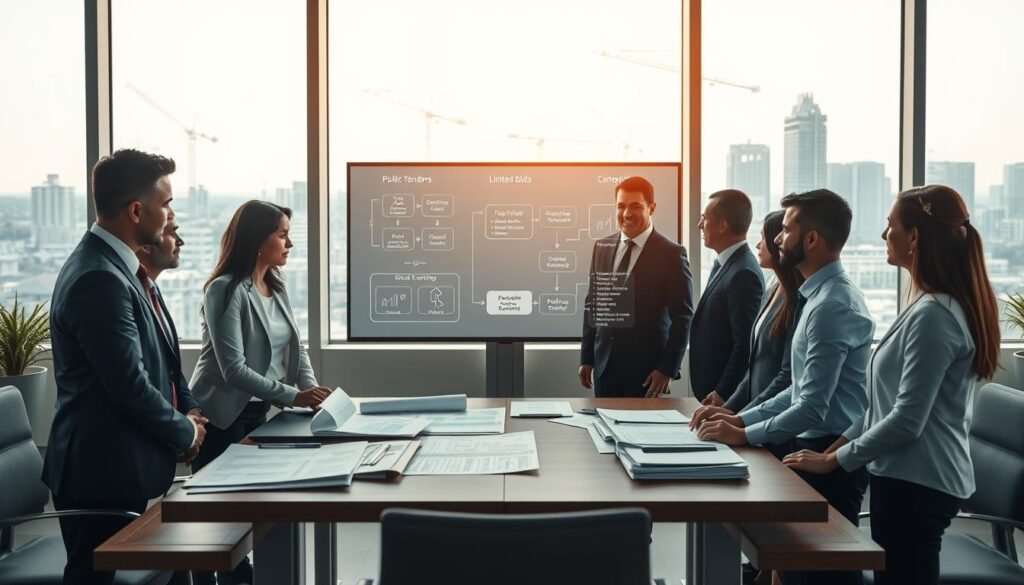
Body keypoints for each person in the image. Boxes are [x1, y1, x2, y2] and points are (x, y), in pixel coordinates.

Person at [784, 185, 1000, 585]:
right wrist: (840, 442)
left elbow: (906, 419)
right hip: (905, 479)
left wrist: (835, 460)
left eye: (890, 225)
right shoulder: (925, 305)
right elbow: (880, 401)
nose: (885, 235)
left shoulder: (934, 316)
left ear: (914, 237)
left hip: (918, 484)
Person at [44, 149, 207, 585]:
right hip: (100, 477)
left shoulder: (126, 271)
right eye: (167, 203)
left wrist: (187, 412)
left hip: (126, 467)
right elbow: (129, 386)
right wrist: (185, 432)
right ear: (137, 211)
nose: (171, 213)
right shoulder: (99, 277)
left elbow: (166, 363)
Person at [697, 189, 874, 585]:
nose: (777, 237)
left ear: (811, 240)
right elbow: (794, 390)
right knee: (790, 573)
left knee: (821, 579)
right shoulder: (816, 297)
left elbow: (811, 405)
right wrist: (739, 420)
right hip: (807, 447)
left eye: (788, 229)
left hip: (827, 454)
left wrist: (743, 432)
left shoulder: (832, 304)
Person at [189, 200, 331, 584]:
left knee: (247, 517)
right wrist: (293, 396)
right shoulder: (224, 290)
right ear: (257, 239)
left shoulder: (276, 286)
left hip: (256, 414)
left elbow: (295, 349)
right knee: (215, 526)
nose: (290, 244)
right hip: (218, 417)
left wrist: (313, 392)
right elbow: (233, 370)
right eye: (282, 235)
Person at [690, 210, 802, 458]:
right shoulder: (774, 287)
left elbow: (786, 376)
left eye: (765, 236)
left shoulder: (796, 298)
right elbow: (754, 363)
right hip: (756, 416)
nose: (761, 244)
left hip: (774, 424)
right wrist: (731, 410)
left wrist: (741, 419)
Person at [579, 176, 694, 397]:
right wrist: (587, 357)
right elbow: (593, 303)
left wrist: (667, 369)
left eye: (635, 206)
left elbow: (683, 317)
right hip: (605, 368)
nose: (626, 214)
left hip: (647, 375)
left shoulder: (671, 254)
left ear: (651, 208)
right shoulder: (602, 247)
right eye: (621, 206)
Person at [690, 189, 764, 404]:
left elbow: (744, 344)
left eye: (705, 218)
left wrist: (723, 392)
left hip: (724, 399)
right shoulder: (726, 264)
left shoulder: (743, 273)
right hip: (712, 392)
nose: (699, 224)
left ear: (723, 225)